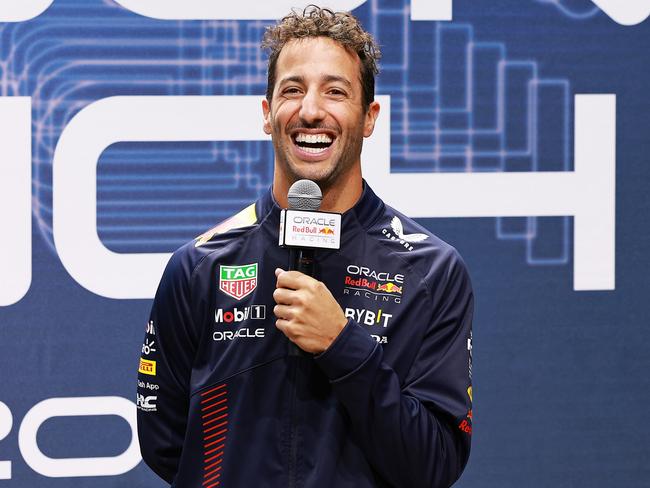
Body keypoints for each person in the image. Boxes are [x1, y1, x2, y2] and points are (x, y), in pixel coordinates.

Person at [137, 6, 473, 487]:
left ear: (369, 116)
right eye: (292, 90)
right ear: (267, 114)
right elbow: (167, 444)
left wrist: (343, 347)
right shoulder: (200, 266)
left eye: (336, 91)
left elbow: (434, 463)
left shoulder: (431, 271)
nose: (311, 110)